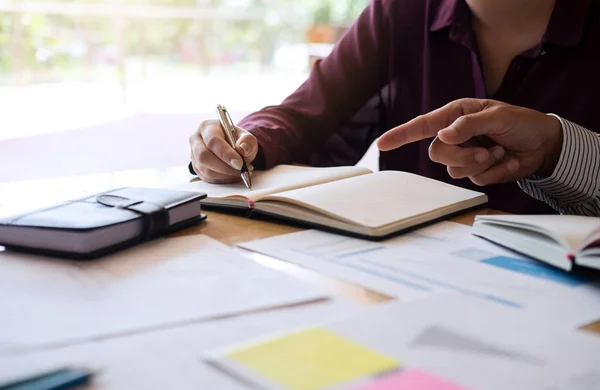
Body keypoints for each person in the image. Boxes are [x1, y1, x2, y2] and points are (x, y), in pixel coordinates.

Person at [189, 0, 600, 216]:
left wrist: (557, 150)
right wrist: (245, 142)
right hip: (409, 287)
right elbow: (305, 114)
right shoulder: (401, 11)